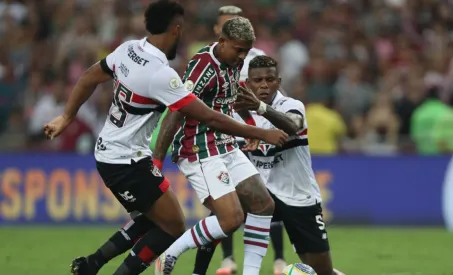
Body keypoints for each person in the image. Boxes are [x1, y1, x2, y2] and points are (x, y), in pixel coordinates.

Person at [43, 2, 288, 275]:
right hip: (125, 160)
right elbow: (208, 117)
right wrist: (261, 132)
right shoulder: (161, 75)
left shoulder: (128, 49)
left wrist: (66, 117)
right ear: (176, 30)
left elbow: (89, 76)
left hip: (118, 152)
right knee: (172, 226)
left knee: (153, 219)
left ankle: (92, 264)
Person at [190, 55, 345, 275]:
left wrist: (261, 107)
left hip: (297, 196)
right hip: (260, 193)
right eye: (258, 80)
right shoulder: (235, 115)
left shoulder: (292, 105)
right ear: (248, 84)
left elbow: (292, 126)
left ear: (278, 82)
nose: (264, 84)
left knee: (321, 270)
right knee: (221, 218)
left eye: (269, 79)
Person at [153, 17, 278, 275]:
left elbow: (230, 99)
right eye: (239, 49)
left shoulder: (233, 61)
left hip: (226, 144)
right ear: (222, 41)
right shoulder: (202, 67)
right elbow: (176, 111)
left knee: (264, 204)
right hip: (198, 148)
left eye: (246, 49)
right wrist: (157, 160)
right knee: (231, 219)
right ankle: (170, 254)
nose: (243, 56)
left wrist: (247, 124)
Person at [189, 5, 285, 275]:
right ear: (218, 31)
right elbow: (191, 104)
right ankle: (227, 258)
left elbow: (263, 93)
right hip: (219, 139)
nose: (229, 27)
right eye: (224, 24)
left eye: (235, 22)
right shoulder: (208, 60)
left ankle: (277, 258)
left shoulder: (254, 56)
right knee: (229, 210)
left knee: (264, 199)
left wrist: (259, 126)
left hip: (252, 135)